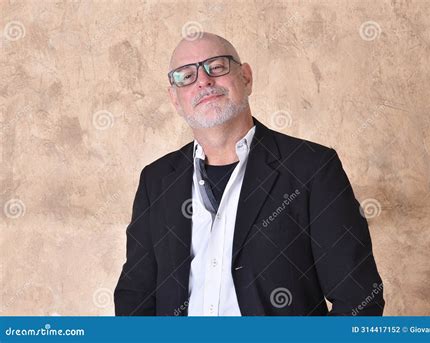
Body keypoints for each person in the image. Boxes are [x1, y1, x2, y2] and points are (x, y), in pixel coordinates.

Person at [114, 32, 384, 316]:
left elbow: (359, 299)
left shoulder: (313, 168)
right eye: (186, 76)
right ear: (175, 99)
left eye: (216, 67)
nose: (204, 80)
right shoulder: (155, 180)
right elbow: (135, 295)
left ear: (246, 78)